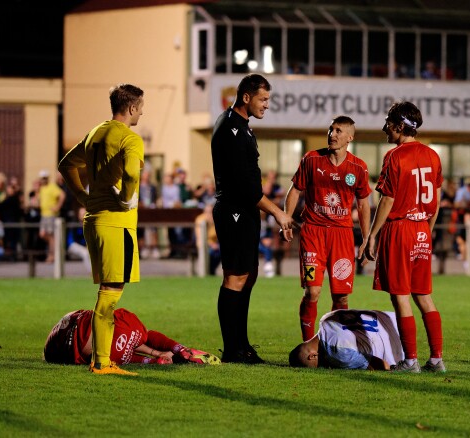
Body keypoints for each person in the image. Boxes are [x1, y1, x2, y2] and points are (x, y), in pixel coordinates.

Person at [58, 84, 146, 375]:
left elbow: (66, 165)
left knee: (108, 290)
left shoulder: (95, 133)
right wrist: (127, 196)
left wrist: (82, 196)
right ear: (132, 107)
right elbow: (132, 172)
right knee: (110, 293)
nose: (142, 111)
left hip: (94, 219)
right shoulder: (130, 138)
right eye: (141, 106)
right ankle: (102, 363)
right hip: (115, 222)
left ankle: (102, 360)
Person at [210, 74, 295, 363]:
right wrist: (278, 212)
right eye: (263, 99)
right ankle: (232, 349)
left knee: (249, 275)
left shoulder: (243, 127)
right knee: (235, 277)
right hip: (233, 210)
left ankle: (242, 345)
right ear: (247, 97)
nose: (267, 105)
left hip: (246, 212)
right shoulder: (230, 127)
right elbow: (245, 188)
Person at [359, 101, 445, 373]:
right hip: (422, 230)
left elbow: (387, 200)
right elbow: (437, 200)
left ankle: (410, 361)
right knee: (424, 295)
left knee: (400, 295)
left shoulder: (395, 156)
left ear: (399, 126)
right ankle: (436, 360)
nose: (384, 127)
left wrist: (372, 235)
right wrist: (426, 232)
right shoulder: (433, 156)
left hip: (400, 229)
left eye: (388, 123)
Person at [282, 115, 372, 342]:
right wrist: (286, 218)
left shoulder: (358, 167)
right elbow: (295, 190)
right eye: (331, 129)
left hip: (342, 236)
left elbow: (363, 203)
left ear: (350, 137)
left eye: (339, 130)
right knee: (312, 291)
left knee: (341, 296)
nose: (332, 134)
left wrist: (366, 236)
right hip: (313, 233)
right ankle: (307, 344)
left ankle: (336, 343)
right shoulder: (311, 160)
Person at [44, 308, 219, 366]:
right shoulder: (131, 324)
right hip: (77, 336)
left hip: (69, 343)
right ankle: (178, 349)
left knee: (128, 344)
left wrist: (156, 355)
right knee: (135, 339)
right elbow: (144, 338)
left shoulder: (129, 325)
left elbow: (138, 340)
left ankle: (167, 355)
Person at [288, 309, 402, 370]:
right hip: (396, 318)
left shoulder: (338, 354)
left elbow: (383, 365)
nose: (325, 366)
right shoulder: (326, 318)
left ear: (312, 356)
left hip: (400, 343)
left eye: (318, 365)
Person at [38, 171, 66, 263]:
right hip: (44, 215)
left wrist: (57, 207)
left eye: (45, 178)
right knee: (43, 234)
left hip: (51, 215)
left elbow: (62, 195)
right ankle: (53, 253)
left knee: (50, 236)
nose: (44, 180)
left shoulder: (52, 187)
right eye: (42, 178)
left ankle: (52, 255)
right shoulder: (42, 188)